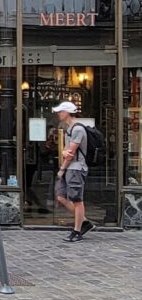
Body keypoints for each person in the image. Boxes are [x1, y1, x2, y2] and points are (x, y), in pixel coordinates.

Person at [53, 101, 95, 243]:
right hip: (70, 168)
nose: (59, 114)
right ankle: (85, 222)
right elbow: (67, 152)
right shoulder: (70, 128)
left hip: (76, 168)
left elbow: (70, 153)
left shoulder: (77, 129)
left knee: (77, 200)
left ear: (67, 112)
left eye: (60, 111)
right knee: (61, 196)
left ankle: (77, 231)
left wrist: (62, 168)